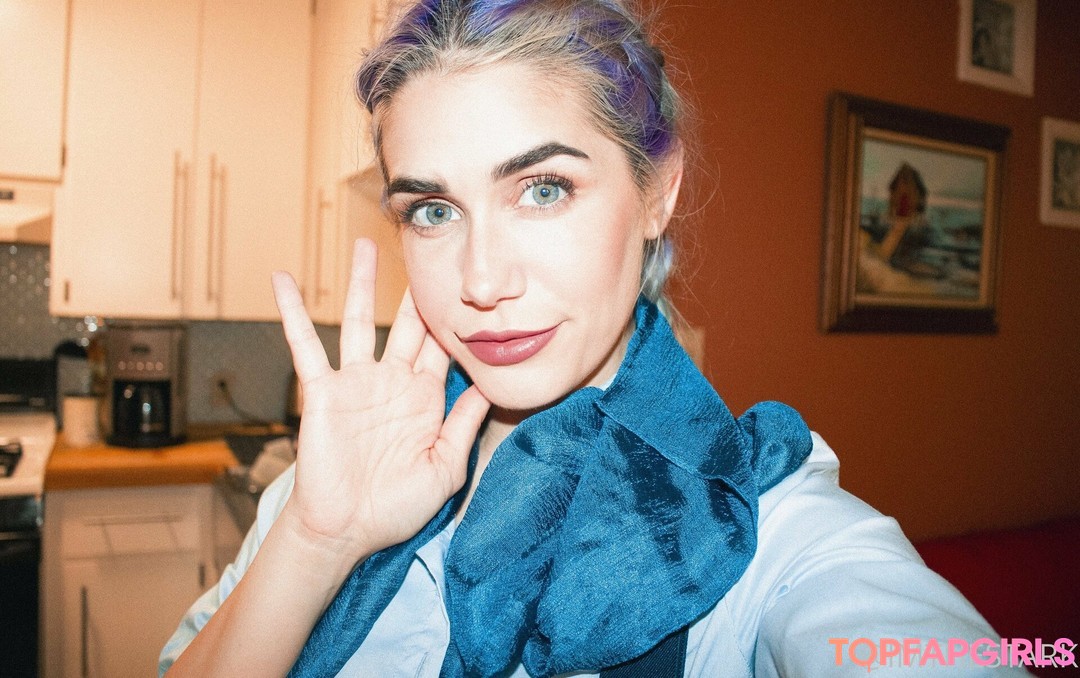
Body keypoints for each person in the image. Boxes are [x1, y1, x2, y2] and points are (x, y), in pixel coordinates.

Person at [161, 0, 1018, 675]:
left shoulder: (751, 522)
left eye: (543, 189)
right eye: (432, 210)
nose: (482, 281)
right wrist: (317, 541)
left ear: (657, 192)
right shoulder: (341, 472)